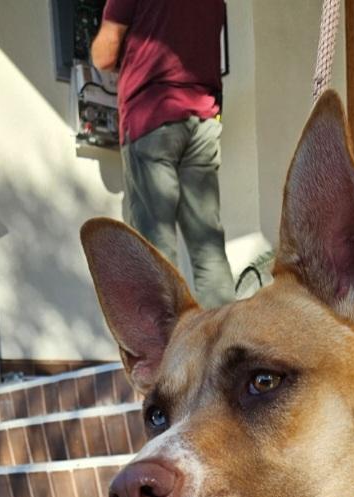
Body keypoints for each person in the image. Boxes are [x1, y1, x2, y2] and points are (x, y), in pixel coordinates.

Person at [91, 0, 236, 307]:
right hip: (203, 120)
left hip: (152, 117)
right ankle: (227, 348)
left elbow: (104, 55)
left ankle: (166, 351)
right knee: (208, 248)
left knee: (155, 251)